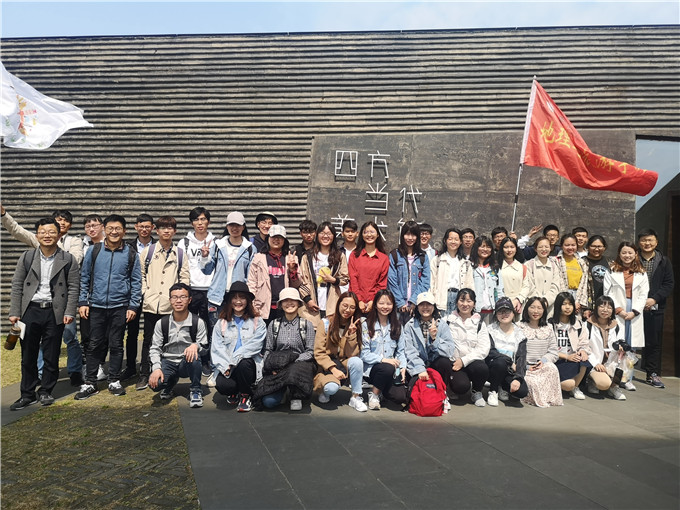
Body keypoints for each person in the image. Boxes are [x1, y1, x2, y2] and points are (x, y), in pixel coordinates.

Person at [1, 205, 84, 386]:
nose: (62, 223)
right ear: (38, 234)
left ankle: (74, 371)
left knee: (67, 340)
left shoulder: (74, 243)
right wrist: (4, 214)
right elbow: (17, 230)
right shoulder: (32, 250)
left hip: (59, 305)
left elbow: (76, 264)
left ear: (67, 227)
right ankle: (35, 379)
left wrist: (56, 252)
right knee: (30, 348)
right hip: (33, 307)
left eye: (65, 221)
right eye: (58, 220)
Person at [76, 214, 142, 400]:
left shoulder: (131, 253)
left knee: (116, 344)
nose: (114, 232)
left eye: (118, 228)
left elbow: (136, 281)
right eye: (110, 228)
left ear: (124, 231)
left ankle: (114, 380)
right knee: (94, 344)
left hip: (120, 306)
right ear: (104, 230)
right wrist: (83, 301)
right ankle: (90, 382)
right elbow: (84, 277)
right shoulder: (94, 250)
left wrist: (133, 306)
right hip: (96, 306)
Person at [136, 216, 191, 391]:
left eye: (170, 228)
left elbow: (184, 278)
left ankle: (168, 374)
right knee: (148, 340)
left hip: (170, 305)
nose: (166, 231)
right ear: (156, 230)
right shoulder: (148, 252)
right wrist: (145, 292)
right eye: (162, 228)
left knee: (170, 340)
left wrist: (179, 298)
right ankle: (145, 372)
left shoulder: (180, 253)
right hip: (152, 304)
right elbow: (140, 275)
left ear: (175, 231)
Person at [252, 288, 315, 411]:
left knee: (293, 371)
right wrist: (271, 366)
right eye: (285, 300)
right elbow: (268, 350)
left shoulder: (307, 325)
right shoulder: (274, 324)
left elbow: (310, 352)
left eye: (293, 300)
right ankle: (283, 391)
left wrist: (290, 362)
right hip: (278, 366)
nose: (289, 303)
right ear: (280, 304)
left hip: (299, 366)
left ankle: (296, 395)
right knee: (269, 402)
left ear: (298, 303)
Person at [148, 283, 209, 408]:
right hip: (168, 361)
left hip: (186, 362)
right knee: (155, 384)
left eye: (183, 297)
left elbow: (205, 348)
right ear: (170, 300)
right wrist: (156, 368)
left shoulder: (198, 322)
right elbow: (155, 348)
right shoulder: (162, 323)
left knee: (194, 355)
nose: (178, 301)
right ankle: (169, 383)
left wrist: (196, 346)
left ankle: (196, 390)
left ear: (189, 300)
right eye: (174, 297)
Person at [210, 281, 267, 412]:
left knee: (243, 364)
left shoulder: (257, 321)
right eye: (234, 298)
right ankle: (234, 391)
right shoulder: (221, 323)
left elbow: (255, 345)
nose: (238, 301)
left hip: (249, 366)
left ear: (248, 301)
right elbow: (217, 348)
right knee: (223, 386)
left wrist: (234, 360)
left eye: (242, 297)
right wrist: (226, 366)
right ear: (230, 301)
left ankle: (245, 395)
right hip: (228, 366)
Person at [604, 242, 649, 391]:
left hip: (634, 311)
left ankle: (628, 378)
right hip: (618, 310)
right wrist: (619, 310)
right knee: (617, 345)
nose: (627, 255)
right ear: (619, 254)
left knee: (631, 347)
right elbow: (607, 292)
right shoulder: (612, 270)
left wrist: (635, 311)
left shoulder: (641, 272)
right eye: (624, 252)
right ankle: (614, 377)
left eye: (630, 253)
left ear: (635, 254)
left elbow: (644, 294)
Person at [202, 211, 255, 334]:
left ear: (243, 227)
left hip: (238, 298)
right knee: (216, 333)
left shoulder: (250, 248)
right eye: (231, 225)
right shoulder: (218, 245)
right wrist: (204, 257)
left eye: (238, 225)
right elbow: (207, 270)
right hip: (217, 297)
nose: (234, 228)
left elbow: (251, 276)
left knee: (235, 333)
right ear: (227, 226)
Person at [402, 291, 456, 414]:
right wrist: (420, 369)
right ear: (417, 307)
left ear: (434, 306)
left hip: (435, 362)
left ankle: (443, 393)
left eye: (429, 304)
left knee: (445, 363)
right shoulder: (409, 326)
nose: (425, 307)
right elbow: (409, 350)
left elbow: (449, 350)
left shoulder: (442, 325)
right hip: (417, 364)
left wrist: (435, 339)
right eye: (422, 304)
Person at [314, 291, 366, 411]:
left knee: (357, 361)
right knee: (330, 389)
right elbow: (319, 352)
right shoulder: (325, 323)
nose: (348, 310)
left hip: (343, 363)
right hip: (328, 365)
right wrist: (333, 369)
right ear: (338, 305)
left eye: (352, 307)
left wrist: (351, 335)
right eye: (345, 305)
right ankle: (324, 390)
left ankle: (356, 397)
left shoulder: (356, 325)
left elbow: (352, 354)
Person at [637, 228, 674, 388]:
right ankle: (623, 374)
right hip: (634, 307)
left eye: (650, 240)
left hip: (655, 307)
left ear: (656, 242)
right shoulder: (633, 258)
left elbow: (669, 284)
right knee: (628, 341)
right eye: (644, 240)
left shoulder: (663, 261)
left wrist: (654, 299)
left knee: (653, 342)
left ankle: (652, 374)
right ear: (639, 242)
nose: (647, 243)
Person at [359, 290, 408, 409]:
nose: (385, 307)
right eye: (381, 303)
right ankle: (374, 395)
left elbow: (401, 351)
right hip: (371, 369)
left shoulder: (397, 325)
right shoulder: (366, 324)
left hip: (391, 370)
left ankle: (381, 390)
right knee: (387, 367)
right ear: (375, 304)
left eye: (389, 304)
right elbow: (364, 354)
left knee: (400, 397)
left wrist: (403, 367)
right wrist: (384, 360)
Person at [122, 213, 155, 381]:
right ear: (136, 227)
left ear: (153, 228)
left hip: (152, 293)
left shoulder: (157, 246)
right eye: (141, 226)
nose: (144, 229)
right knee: (132, 332)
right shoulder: (128, 246)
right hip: (133, 293)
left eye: (147, 226)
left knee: (150, 333)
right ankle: (130, 367)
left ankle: (147, 366)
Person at [445, 289, 490, 407]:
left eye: (469, 301)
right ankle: (451, 386)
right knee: (461, 387)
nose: (465, 304)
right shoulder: (447, 321)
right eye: (462, 300)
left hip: (471, 362)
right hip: (454, 363)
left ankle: (476, 391)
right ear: (456, 302)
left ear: (474, 304)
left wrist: (464, 361)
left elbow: (483, 349)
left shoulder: (480, 323)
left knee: (482, 368)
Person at [247, 224, 300, 322]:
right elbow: (252, 283)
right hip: (263, 306)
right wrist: (252, 304)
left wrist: (292, 269)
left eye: (280, 237)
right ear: (268, 238)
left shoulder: (291, 258)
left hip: (285, 306)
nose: (276, 240)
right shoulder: (258, 258)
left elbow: (297, 285)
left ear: (284, 240)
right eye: (273, 237)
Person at [299, 222, 348, 325]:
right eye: (322, 233)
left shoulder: (340, 256)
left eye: (329, 233)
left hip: (332, 300)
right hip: (312, 301)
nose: (325, 236)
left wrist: (333, 280)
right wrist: (308, 299)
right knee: (313, 331)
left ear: (334, 236)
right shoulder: (308, 256)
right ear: (317, 235)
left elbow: (345, 278)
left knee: (330, 329)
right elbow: (302, 280)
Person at [517, 297, 562, 408]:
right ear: (527, 309)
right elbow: (514, 352)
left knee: (552, 368)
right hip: (525, 368)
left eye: (539, 308)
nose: (535, 311)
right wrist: (526, 366)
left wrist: (543, 361)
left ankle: (550, 398)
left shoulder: (548, 328)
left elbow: (553, 352)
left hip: (542, 366)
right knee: (533, 384)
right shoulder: (519, 327)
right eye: (532, 307)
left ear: (544, 310)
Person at [485, 297, 529, 406]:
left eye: (507, 311)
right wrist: (509, 361)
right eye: (500, 311)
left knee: (522, 391)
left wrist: (518, 378)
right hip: (492, 368)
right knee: (500, 363)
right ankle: (493, 390)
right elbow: (491, 352)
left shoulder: (520, 334)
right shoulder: (489, 330)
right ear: (496, 314)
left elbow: (521, 358)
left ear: (513, 313)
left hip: (509, 371)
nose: (504, 314)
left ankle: (503, 386)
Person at [387, 221, 431, 325]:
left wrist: (414, 301)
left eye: (413, 235)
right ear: (402, 235)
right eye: (407, 234)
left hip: (415, 306)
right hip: (397, 306)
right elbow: (391, 281)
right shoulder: (394, 255)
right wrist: (400, 302)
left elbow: (425, 281)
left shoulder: (423, 256)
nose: (410, 238)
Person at [584, 295, 627, 400]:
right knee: (603, 384)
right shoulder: (588, 325)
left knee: (625, 361)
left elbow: (621, 341)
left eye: (609, 307)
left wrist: (621, 347)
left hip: (611, 361)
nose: (605, 310)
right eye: (602, 306)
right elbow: (584, 347)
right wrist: (596, 363)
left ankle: (614, 387)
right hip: (595, 361)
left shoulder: (616, 326)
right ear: (596, 308)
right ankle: (592, 381)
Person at [550, 292, 591, 400]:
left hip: (572, 359)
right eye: (564, 304)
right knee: (568, 384)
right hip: (556, 361)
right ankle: (560, 386)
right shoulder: (550, 324)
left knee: (584, 361)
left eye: (570, 304)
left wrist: (583, 351)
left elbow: (584, 342)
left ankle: (575, 388)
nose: (567, 307)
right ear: (558, 305)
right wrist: (566, 356)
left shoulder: (578, 324)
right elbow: (547, 349)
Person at [347, 221, 389, 314]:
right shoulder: (354, 255)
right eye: (366, 232)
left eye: (372, 232)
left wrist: (373, 300)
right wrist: (359, 300)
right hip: (355, 302)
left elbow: (382, 283)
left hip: (375, 304)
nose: (369, 235)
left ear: (378, 235)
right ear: (362, 235)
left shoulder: (384, 258)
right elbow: (353, 279)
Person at [430, 227, 473, 314]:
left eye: (456, 239)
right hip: (441, 298)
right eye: (450, 239)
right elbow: (432, 282)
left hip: (460, 298)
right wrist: (432, 300)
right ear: (445, 241)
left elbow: (470, 284)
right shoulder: (437, 260)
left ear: (460, 242)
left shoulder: (465, 262)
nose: (453, 242)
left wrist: (469, 301)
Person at [470, 236, 504, 323]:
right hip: (474, 311)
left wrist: (500, 307)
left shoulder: (495, 268)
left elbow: (499, 289)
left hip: (492, 311)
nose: (485, 249)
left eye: (488, 247)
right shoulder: (470, 266)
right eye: (482, 246)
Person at [524, 236, 561, 316]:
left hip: (550, 307)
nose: (544, 249)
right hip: (532, 306)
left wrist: (546, 301)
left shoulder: (554, 265)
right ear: (535, 249)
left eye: (546, 247)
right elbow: (529, 286)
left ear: (550, 248)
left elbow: (555, 286)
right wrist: (538, 303)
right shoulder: (528, 265)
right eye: (540, 247)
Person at [554, 233, 588, 314]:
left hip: (578, 296)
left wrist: (578, 302)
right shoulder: (555, 261)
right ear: (561, 246)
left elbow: (584, 283)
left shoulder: (582, 262)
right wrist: (567, 301)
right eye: (567, 245)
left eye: (573, 245)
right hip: (561, 295)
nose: (570, 248)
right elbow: (557, 281)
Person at [497, 237, 532, 314]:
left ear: (516, 249)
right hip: (501, 306)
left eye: (512, 247)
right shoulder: (497, 267)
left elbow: (526, 286)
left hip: (519, 306)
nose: (509, 250)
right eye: (506, 247)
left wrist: (518, 300)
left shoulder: (522, 267)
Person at [583, 235, 610, 314]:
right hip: (588, 303)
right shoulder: (582, 262)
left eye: (599, 246)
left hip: (605, 303)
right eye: (593, 246)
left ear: (604, 248)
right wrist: (586, 307)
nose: (596, 249)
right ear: (588, 247)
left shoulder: (609, 262)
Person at [339, 219, 358, 294]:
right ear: (342, 233)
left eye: (352, 231)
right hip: (339, 287)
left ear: (357, 233)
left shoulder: (361, 252)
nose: (350, 234)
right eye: (347, 231)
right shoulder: (337, 251)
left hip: (356, 287)